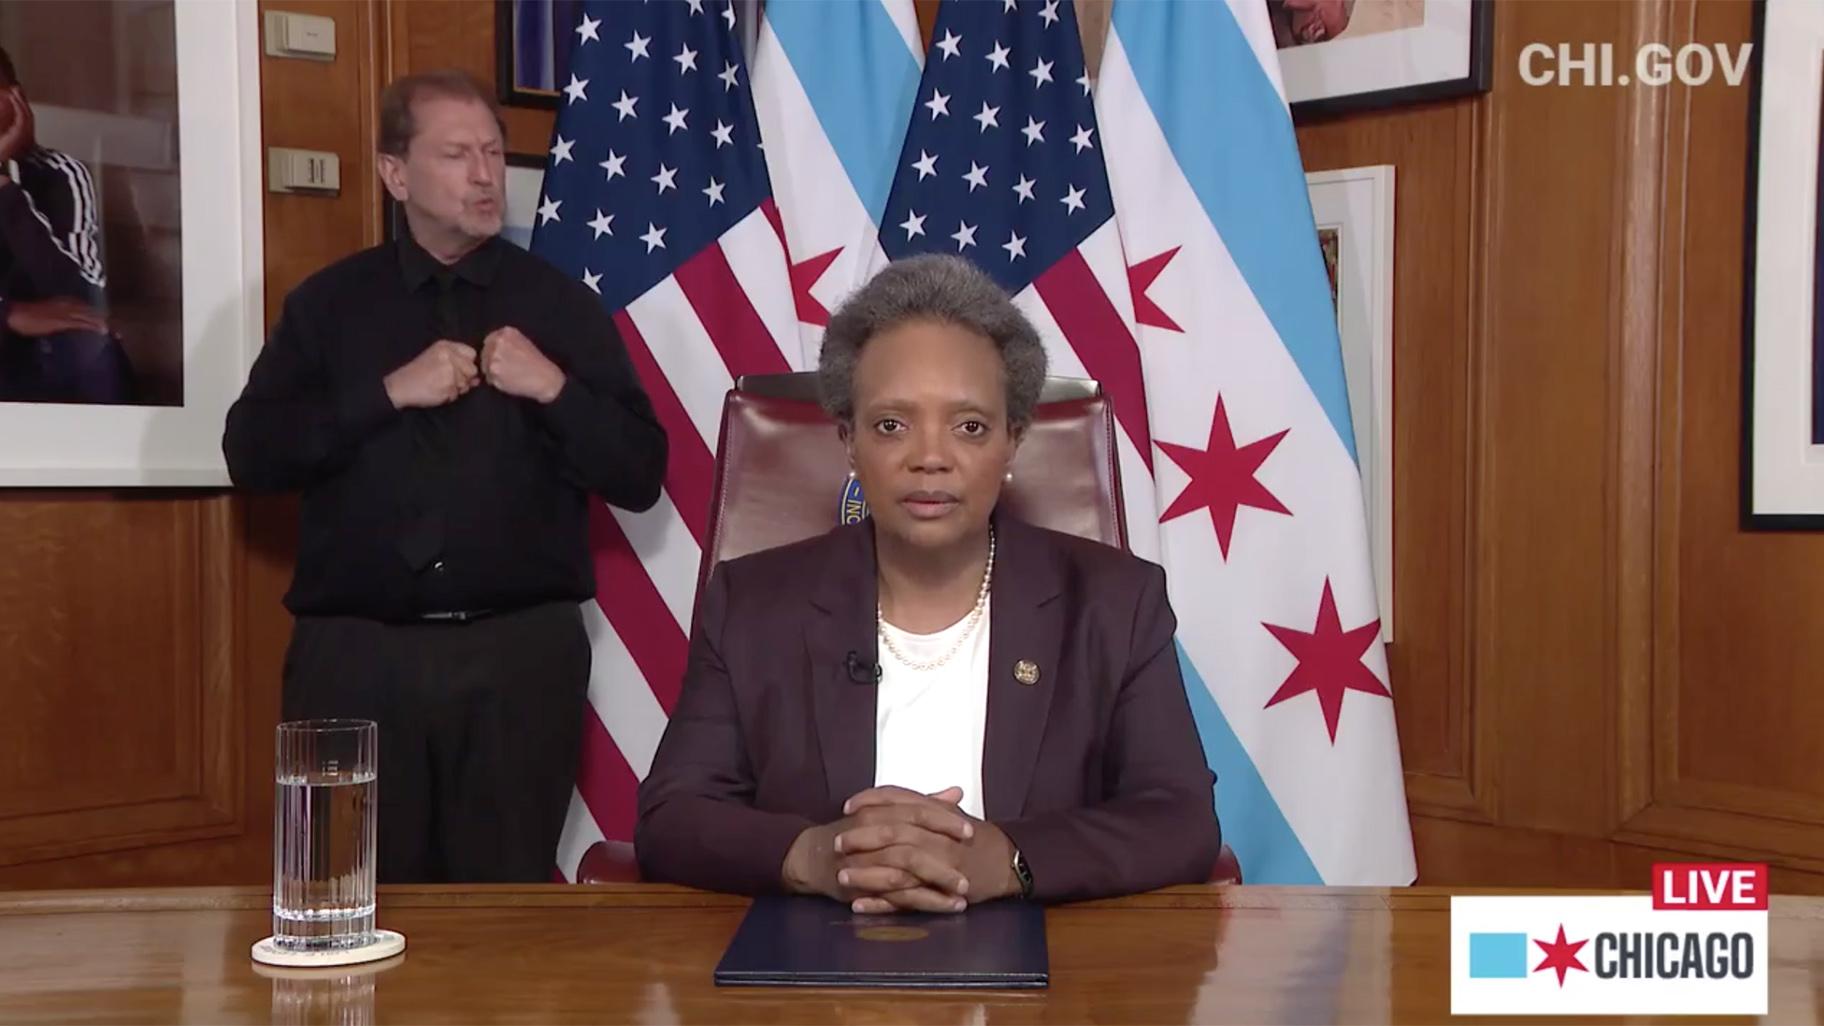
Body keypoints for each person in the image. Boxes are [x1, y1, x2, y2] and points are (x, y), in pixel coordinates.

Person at [636, 254, 1219, 911]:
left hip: (1050, 978)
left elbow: (1180, 818)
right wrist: (816, 857)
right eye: (892, 425)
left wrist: (1013, 860)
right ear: (849, 442)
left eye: (970, 427)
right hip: (804, 976)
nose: (931, 457)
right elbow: (672, 816)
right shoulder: (753, 602)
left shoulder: (1115, 602)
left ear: (1013, 442)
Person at [223, 70, 667, 883]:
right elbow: (253, 454)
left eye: (494, 153)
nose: (485, 173)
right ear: (397, 175)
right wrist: (387, 394)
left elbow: (640, 471)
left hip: (518, 661)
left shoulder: (561, 308)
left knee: (503, 923)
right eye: (457, 154)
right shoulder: (328, 307)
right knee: (350, 897)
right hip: (357, 662)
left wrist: (554, 388)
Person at [0, 45, 135, 404]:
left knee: (93, 347)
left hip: (39, 352)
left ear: (17, 100)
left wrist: (3, 186)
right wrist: (10, 313)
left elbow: (79, 297)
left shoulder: (58, 174)